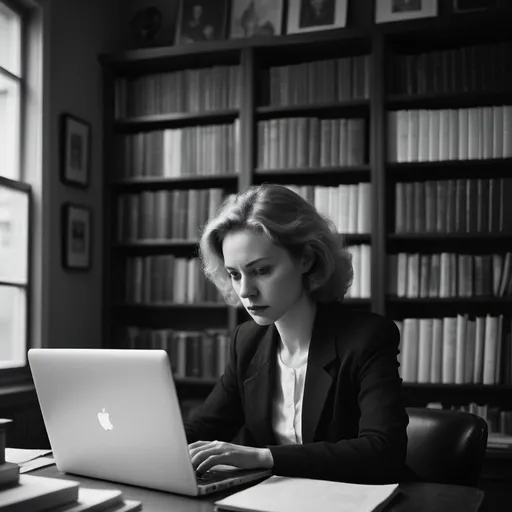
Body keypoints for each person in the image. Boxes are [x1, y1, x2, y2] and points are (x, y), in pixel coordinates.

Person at [185, 184, 409, 484]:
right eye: (235, 274)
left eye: (261, 270)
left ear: (307, 259)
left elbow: (384, 452)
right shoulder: (247, 341)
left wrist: (264, 456)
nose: (245, 291)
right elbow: (202, 429)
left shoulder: (367, 338)